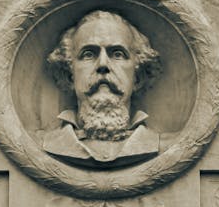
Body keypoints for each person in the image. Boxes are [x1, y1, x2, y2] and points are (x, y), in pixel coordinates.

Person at [43, 11, 163, 169]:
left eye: (118, 54)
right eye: (88, 54)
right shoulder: (47, 144)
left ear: (138, 76)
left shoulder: (165, 147)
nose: (103, 64)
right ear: (70, 74)